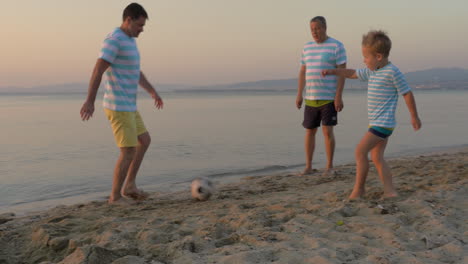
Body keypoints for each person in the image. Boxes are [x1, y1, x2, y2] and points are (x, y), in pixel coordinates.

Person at [80, 3, 164, 204]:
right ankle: (115, 197)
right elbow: (98, 69)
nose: (142, 29)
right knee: (128, 151)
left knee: (144, 141)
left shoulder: (129, 40)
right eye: (139, 25)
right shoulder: (114, 40)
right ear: (128, 20)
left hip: (129, 106)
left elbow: (136, 72)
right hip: (117, 106)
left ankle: (130, 185)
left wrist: (152, 91)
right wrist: (90, 101)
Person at [322, 30, 421, 199]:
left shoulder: (392, 72)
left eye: (366, 57)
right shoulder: (373, 71)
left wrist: (414, 116)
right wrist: (334, 71)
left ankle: (359, 190)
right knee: (376, 156)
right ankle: (390, 191)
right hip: (378, 123)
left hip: (382, 123)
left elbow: (407, 93)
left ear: (379, 56)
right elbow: (352, 73)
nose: (364, 60)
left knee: (360, 152)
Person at [296, 16, 347, 176]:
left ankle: (329, 166)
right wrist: (299, 94)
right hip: (311, 98)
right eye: (312, 29)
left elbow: (342, 73)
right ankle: (309, 166)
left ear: (324, 27)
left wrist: (338, 96)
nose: (314, 32)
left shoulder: (337, 46)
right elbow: (303, 71)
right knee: (310, 131)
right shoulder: (307, 47)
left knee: (327, 132)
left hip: (329, 97)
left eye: (317, 28)